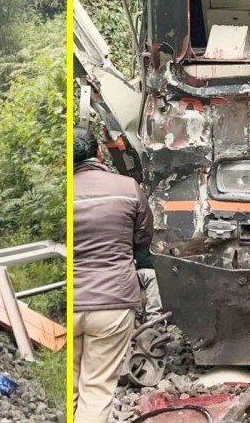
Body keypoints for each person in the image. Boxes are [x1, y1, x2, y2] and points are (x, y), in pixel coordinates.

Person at [73, 127, 153, 423]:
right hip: (113, 303)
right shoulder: (128, 187)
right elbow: (143, 237)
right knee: (96, 389)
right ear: (97, 153)